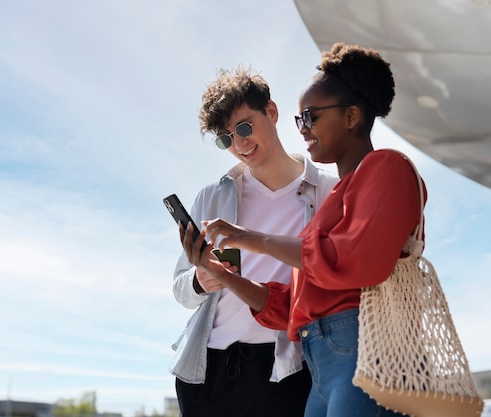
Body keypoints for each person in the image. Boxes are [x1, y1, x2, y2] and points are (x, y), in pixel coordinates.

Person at [181, 43, 427, 417]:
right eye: (226, 138)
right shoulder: (335, 199)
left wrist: (252, 239)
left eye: (310, 116)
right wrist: (218, 275)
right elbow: (290, 303)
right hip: (320, 362)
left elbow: (354, 262)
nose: (304, 129)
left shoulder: (384, 169)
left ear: (351, 117)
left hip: (357, 354)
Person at [170, 66, 339, 417]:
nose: (240, 143)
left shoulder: (327, 189)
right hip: (206, 370)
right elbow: (180, 290)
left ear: (272, 113)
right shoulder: (211, 196)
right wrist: (201, 281)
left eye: (245, 126)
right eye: (226, 138)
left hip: (286, 366)